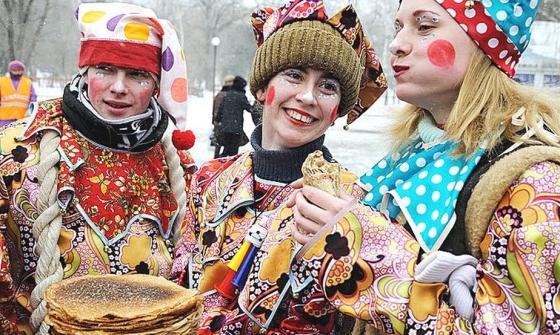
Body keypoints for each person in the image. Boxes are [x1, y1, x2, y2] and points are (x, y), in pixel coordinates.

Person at [290, 0, 560, 334]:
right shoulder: (405, 158)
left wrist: (363, 245)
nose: (397, 44)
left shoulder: (535, 179)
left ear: (485, 44)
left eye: (425, 26)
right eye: (399, 27)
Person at [170, 0, 387, 333]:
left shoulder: (352, 201)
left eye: (328, 86)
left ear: (337, 110)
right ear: (261, 88)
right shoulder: (209, 180)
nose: (308, 97)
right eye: (294, 76)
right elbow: (180, 283)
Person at [0, 3, 196, 334]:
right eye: (104, 68)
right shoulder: (16, 153)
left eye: (137, 74)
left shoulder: (177, 164)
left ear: (157, 85)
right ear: (86, 71)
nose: (119, 87)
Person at [216, 75, 254, 158]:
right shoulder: (241, 96)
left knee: (226, 148)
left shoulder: (228, 94)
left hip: (225, 127)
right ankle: (230, 166)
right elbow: (250, 109)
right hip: (236, 128)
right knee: (233, 151)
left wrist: (218, 120)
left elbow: (220, 109)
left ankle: (222, 163)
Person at [0, 60, 37, 127]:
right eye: (15, 70)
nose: (17, 72)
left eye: (20, 70)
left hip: (22, 118)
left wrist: (30, 110)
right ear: (10, 70)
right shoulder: (2, 81)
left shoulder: (28, 82)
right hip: (4, 118)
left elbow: (33, 97)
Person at [211, 75, 235, 158]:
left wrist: (214, 121)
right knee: (225, 147)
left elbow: (214, 111)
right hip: (224, 123)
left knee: (219, 146)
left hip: (220, 123)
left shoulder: (219, 94)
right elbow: (217, 110)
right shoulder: (227, 95)